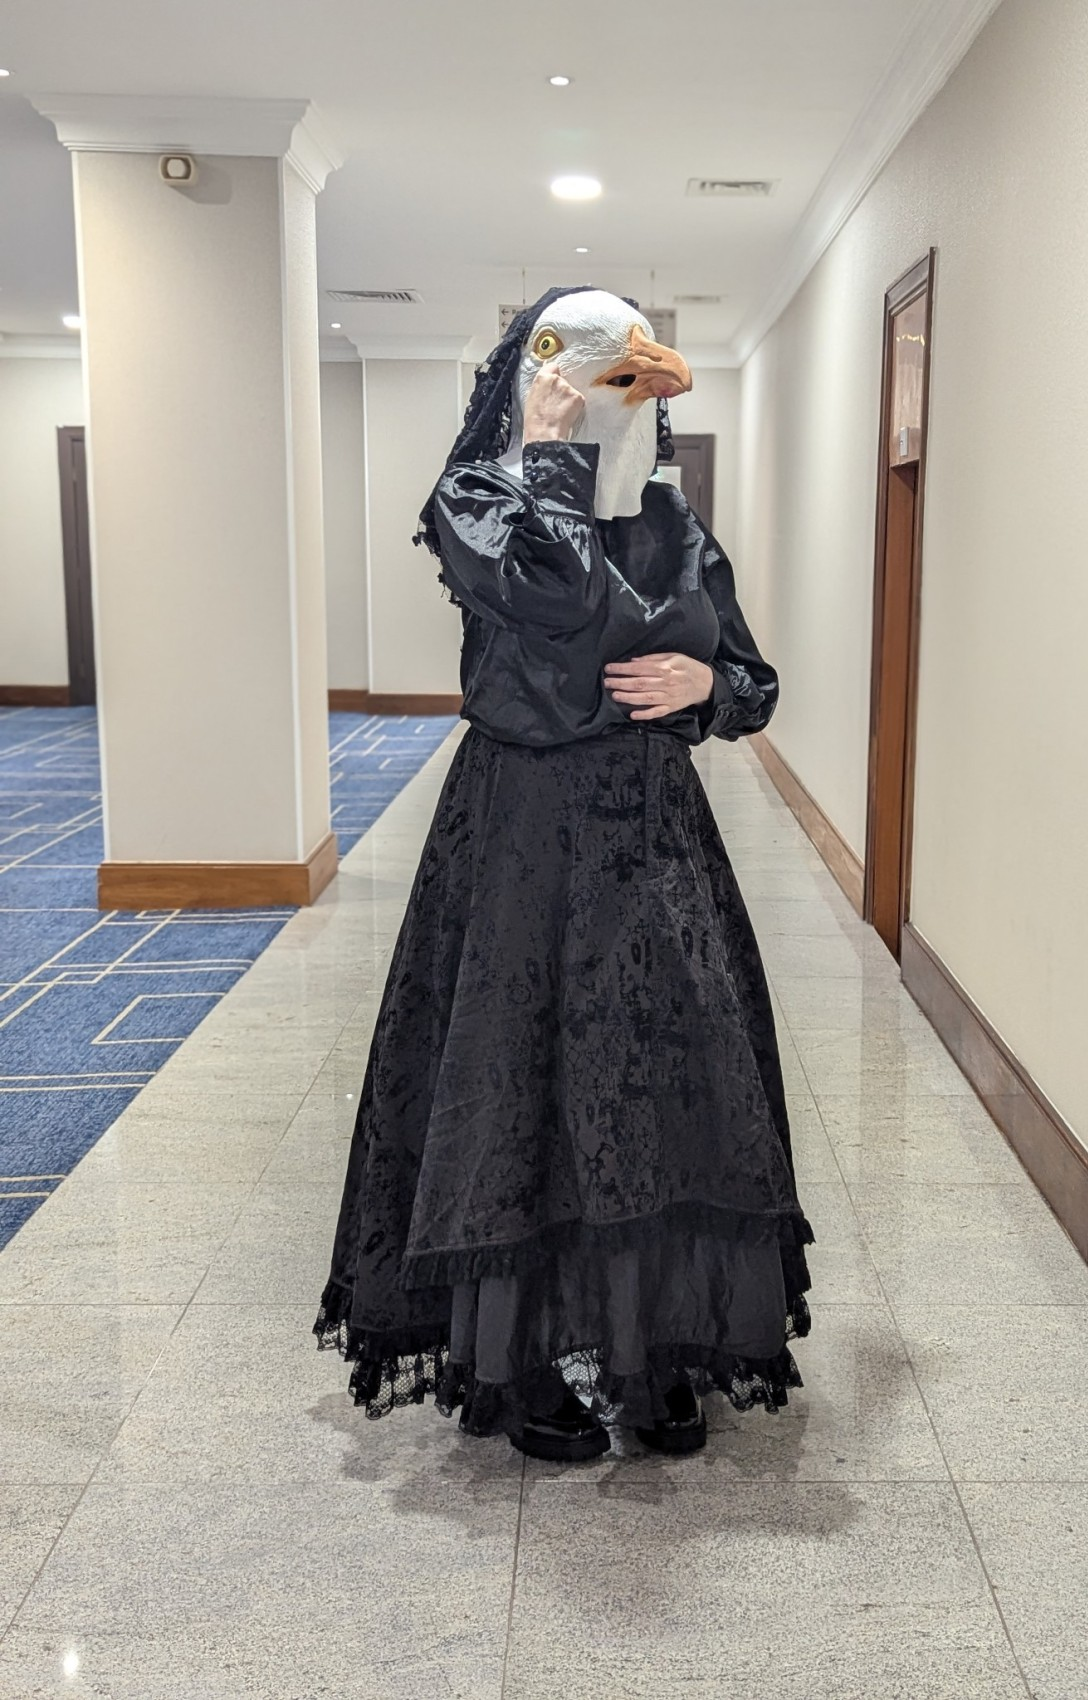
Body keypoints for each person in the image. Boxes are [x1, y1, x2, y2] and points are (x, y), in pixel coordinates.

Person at [313, 284, 814, 1463]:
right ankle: (528, 1356)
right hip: (521, 842)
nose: (609, 407)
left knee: (662, 1091)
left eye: (625, 387)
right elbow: (557, 594)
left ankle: (657, 1350)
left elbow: (749, 673)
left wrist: (708, 692)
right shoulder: (477, 497)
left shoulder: (672, 523)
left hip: (653, 841)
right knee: (523, 1088)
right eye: (593, 382)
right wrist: (538, 456)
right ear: (542, 384)